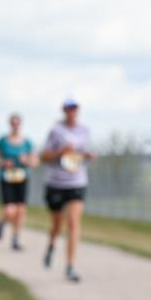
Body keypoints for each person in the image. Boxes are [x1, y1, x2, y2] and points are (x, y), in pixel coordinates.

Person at [40, 99, 94, 282]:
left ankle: (70, 266)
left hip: (77, 181)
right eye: (69, 109)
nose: (72, 111)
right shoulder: (56, 131)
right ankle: (51, 246)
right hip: (56, 183)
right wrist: (60, 151)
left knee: (73, 223)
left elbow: (83, 152)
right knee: (57, 224)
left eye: (75, 108)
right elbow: (44, 156)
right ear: (64, 111)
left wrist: (87, 156)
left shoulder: (84, 131)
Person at [0, 113, 36, 251]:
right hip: (7, 178)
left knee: (21, 210)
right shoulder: (3, 141)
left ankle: (16, 239)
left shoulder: (27, 142)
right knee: (10, 211)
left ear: (20, 124)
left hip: (22, 177)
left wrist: (26, 161)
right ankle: (2, 223)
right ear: (10, 124)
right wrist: (3, 163)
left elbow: (35, 161)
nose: (15, 125)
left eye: (17, 123)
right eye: (13, 123)